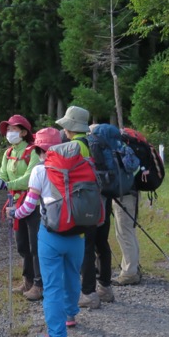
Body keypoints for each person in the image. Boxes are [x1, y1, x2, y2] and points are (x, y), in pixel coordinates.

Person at [8, 127, 84, 337]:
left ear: (38, 148)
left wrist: (14, 212)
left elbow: (29, 206)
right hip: (77, 233)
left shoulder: (40, 170)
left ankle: (58, 336)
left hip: (51, 234)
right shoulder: (80, 164)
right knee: (72, 275)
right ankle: (70, 314)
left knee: (52, 286)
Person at [55, 107, 115, 309]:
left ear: (69, 127)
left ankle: (88, 293)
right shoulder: (94, 141)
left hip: (85, 202)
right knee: (101, 243)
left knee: (86, 247)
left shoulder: (74, 146)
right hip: (102, 199)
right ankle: (105, 287)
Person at [0, 114, 43, 301]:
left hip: (33, 203)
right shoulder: (8, 153)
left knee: (35, 245)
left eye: (14, 129)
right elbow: (3, 175)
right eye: (8, 129)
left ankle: (39, 284)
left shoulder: (33, 151)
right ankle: (28, 280)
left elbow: (30, 178)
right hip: (15, 204)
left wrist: (6, 185)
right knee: (22, 244)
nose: (9, 133)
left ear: (24, 132)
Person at [112, 191, 142, 285]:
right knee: (128, 234)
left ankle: (129, 273)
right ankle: (133, 267)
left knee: (125, 235)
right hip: (128, 194)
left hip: (124, 196)